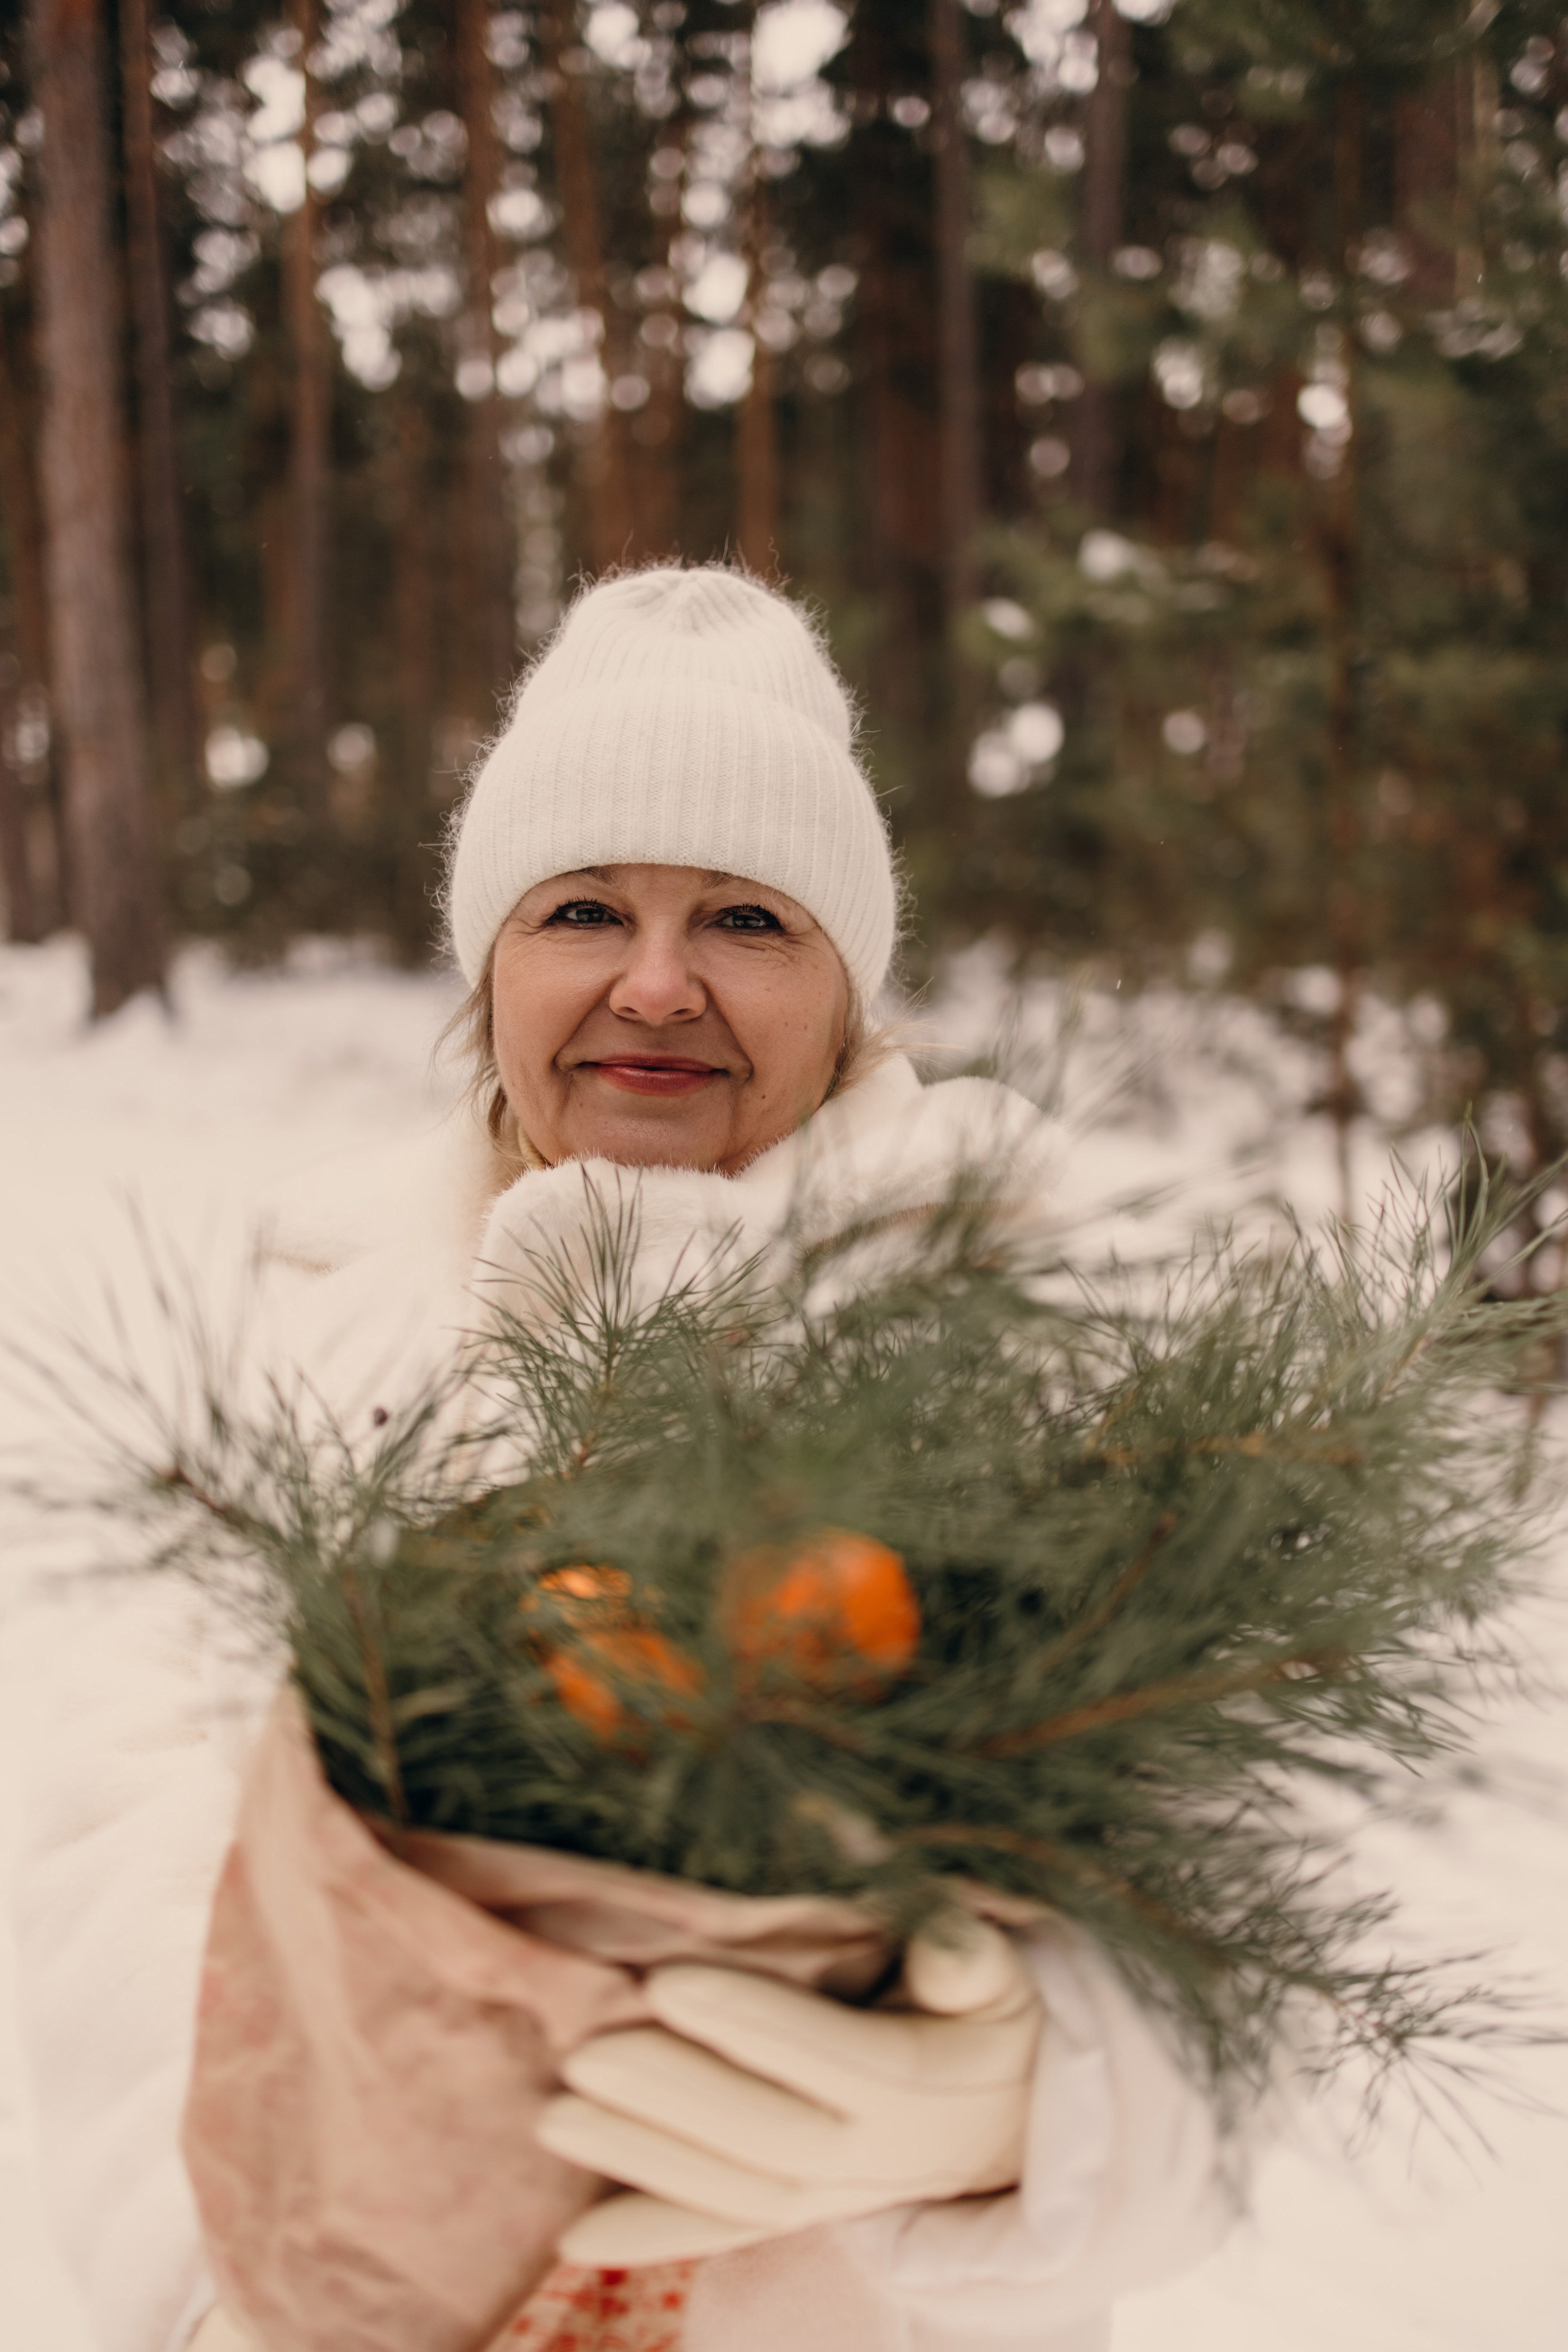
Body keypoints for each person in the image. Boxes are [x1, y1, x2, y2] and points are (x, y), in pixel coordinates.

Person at [11, 566, 1238, 2352]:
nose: (656, 987)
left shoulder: (1028, 1298)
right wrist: (231, 2282)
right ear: (490, 960)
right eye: (584, 909)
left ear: (847, 981)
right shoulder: (307, 1304)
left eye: (747, 919)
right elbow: (119, 1832)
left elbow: (1228, 1874)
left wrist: (1034, 2114)